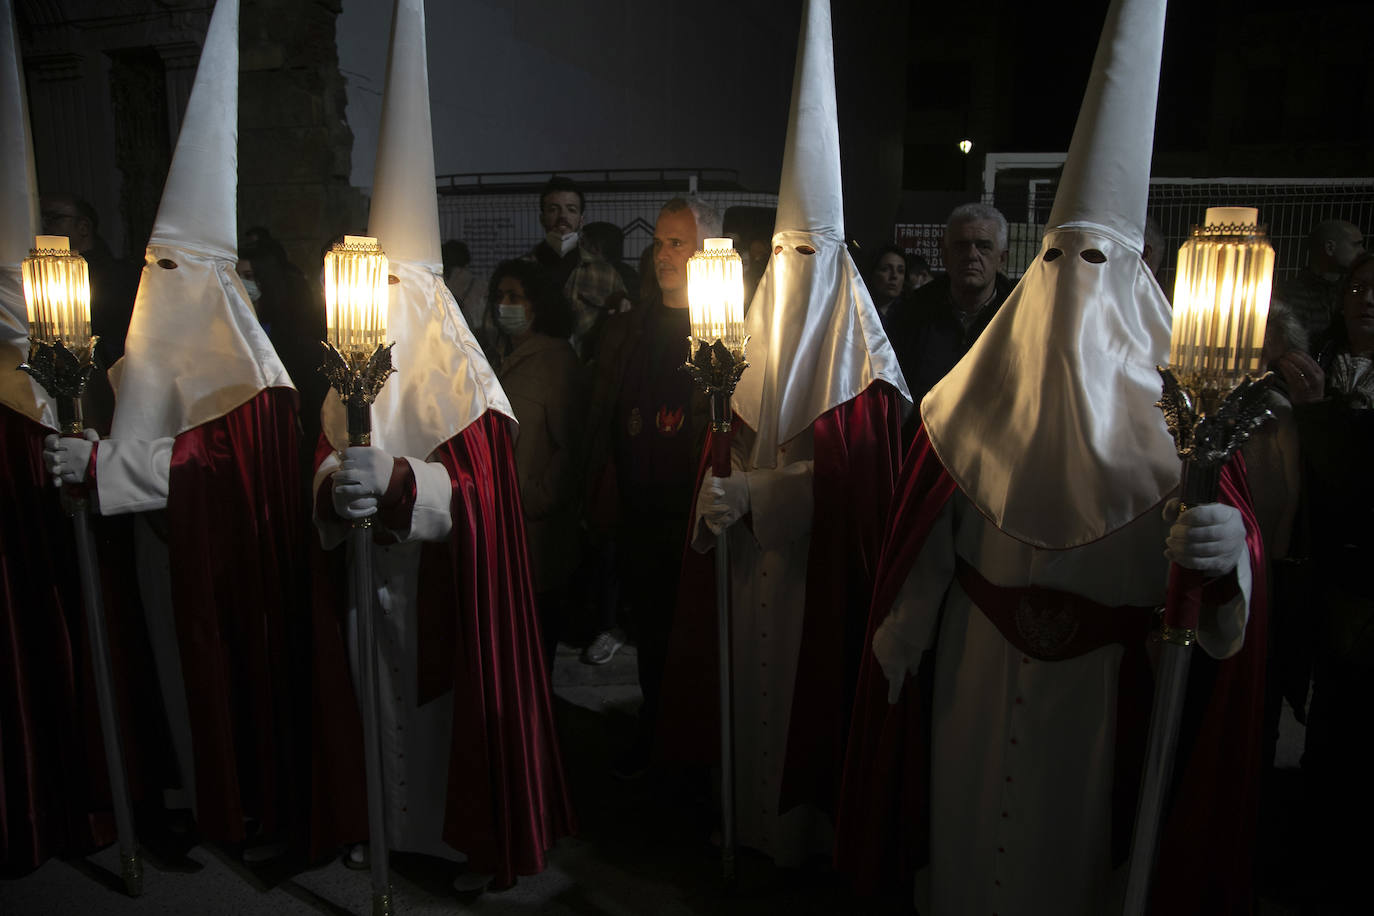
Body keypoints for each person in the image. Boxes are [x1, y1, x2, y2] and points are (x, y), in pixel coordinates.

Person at [837, 2, 1266, 912]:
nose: (1077, 287)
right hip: (974, 667)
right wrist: (904, 632)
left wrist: (1228, 555)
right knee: (965, 838)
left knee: (1071, 858)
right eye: (1061, 260)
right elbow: (932, 536)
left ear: (1136, 281)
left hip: (1102, 693)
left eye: (1097, 263)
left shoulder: (1186, 423)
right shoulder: (970, 400)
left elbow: (1223, 618)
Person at [307, 0, 572, 890]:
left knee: (437, 718)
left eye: (396, 284)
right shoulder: (349, 360)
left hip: (439, 594)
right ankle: (377, 827)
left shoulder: (465, 379)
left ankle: (453, 840)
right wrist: (331, 486)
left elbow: (484, 500)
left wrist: (399, 484)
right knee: (368, 696)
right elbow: (322, 459)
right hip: (367, 587)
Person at [43, 0, 306, 857]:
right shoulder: (146, 347)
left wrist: (106, 470)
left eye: (170, 269)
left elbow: (219, 466)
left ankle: (237, 800)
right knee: (164, 667)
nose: (155, 281)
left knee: (218, 677)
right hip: (159, 554)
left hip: (223, 571)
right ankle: (185, 791)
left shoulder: (253, 373)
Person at [660, 0, 908, 867]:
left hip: (814, 579)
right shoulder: (743, 344)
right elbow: (719, 443)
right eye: (785, 259)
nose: (795, 279)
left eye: (812, 261)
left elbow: (867, 488)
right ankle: (740, 818)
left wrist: (757, 495)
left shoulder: (866, 371)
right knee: (742, 696)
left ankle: (804, 838)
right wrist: (714, 497)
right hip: (746, 569)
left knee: (808, 696)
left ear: (836, 266)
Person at [581, 196, 717, 773]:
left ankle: (693, 746)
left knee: (696, 637)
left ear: (707, 253)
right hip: (638, 513)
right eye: (659, 243)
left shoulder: (726, 333)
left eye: (677, 243)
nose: (663, 255)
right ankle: (654, 732)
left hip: (694, 517)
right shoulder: (627, 332)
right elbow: (603, 417)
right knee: (651, 634)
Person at [1286, 253, 1374, 910]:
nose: (1367, 299)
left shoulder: (1323, 385)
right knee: (1324, 717)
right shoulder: (1317, 359)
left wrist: (1318, 413)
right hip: (1317, 564)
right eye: (1357, 287)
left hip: (1365, 573)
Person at [487, 259, 585, 668]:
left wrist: (534, 498)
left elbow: (572, 447)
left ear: (537, 304)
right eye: (499, 296)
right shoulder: (497, 358)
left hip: (537, 532)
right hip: (499, 524)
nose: (504, 305)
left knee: (535, 644)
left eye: (515, 296)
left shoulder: (556, 362)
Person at [884, 202, 1014, 441]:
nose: (971, 255)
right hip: (923, 448)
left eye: (983, 246)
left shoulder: (1021, 317)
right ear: (945, 255)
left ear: (1001, 258)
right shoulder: (909, 316)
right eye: (961, 246)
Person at [526, 176, 626, 360]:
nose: (562, 217)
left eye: (571, 209)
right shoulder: (521, 271)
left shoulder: (605, 275)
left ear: (581, 220)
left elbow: (622, 332)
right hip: (533, 372)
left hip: (584, 374)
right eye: (553, 209)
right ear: (542, 218)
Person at [1277, 219, 1366, 342]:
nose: (1362, 252)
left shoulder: (1351, 291)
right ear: (1330, 248)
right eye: (1356, 245)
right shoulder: (1290, 296)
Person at [582, 220, 639, 312]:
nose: (578, 248)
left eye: (582, 243)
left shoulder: (590, 274)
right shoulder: (629, 274)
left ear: (595, 248)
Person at [866, 243, 907, 327]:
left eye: (900, 271)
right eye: (885, 269)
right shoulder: (857, 310)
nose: (894, 276)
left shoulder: (911, 314)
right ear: (872, 274)